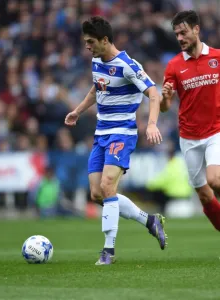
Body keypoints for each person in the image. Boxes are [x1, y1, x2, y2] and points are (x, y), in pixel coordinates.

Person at [65, 16, 167, 265]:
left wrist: (151, 124)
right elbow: (96, 88)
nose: (87, 46)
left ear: (105, 40)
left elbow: (153, 94)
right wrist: (78, 110)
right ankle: (149, 220)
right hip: (101, 133)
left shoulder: (128, 65)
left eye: (91, 42)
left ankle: (108, 251)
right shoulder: (96, 60)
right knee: (97, 194)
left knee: (109, 187)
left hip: (122, 133)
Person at [161, 10, 220, 232]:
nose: (179, 38)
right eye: (176, 34)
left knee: (215, 180)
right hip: (189, 137)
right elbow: (165, 108)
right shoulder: (174, 65)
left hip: (216, 131)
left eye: (183, 32)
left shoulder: (217, 57)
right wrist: (166, 98)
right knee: (205, 196)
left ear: (196, 30)